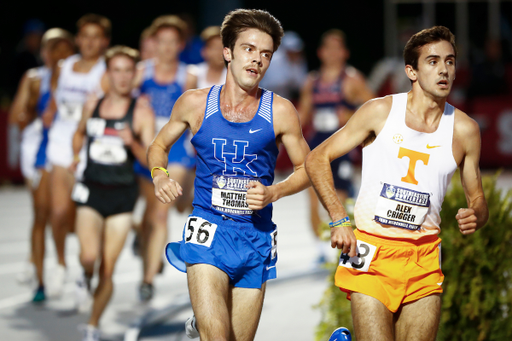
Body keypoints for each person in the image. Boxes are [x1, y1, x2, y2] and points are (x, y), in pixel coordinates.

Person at [305, 26, 489, 341]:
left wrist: (476, 214)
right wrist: (338, 218)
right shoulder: (380, 111)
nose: (444, 69)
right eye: (432, 61)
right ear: (411, 71)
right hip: (370, 251)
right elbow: (317, 158)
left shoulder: (465, 130)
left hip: (424, 257)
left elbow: (478, 201)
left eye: (450, 61)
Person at [149, 9, 311, 341]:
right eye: (249, 49)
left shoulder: (280, 111)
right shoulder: (195, 104)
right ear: (228, 52)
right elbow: (158, 146)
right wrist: (160, 175)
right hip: (208, 230)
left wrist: (273, 193)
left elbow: (307, 169)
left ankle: (202, 324)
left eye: (266, 54)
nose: (257, 60)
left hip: (255, 236)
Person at [70, 46, 155, 341]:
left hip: (122, 197)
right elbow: (79, 133)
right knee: (89, 256)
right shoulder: (92, 104)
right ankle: (83, 275)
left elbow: (149, 159)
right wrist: (75, 155)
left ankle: (92, 326)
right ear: (108, 73)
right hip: (91, 192)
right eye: (116, 70)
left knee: (108, 268)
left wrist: (132, 143)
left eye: (127, 71)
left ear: (134, 76)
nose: (121, 77)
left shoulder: (141, 111)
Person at [43, 14, 110, 297]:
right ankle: (59, 263)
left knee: (88, 218)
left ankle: (86, 275)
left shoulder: (107, 72)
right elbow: (54, 103)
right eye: (85, 36)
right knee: (57, 212)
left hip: (92, 150)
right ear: (78, 39)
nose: (90, 42)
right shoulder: (64, 66)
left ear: (104, 42)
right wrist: (48, 113)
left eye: (97, 37)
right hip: (60, 144)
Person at [132, 14, 197, 301]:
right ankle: (148, 247)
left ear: (180, 45)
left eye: (173, 42)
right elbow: (120, 97)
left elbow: (194, 114)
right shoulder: (141, 72)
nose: (167, 47)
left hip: (178, 149)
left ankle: (146, 280)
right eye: (162, 41)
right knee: (149, 215)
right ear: (153, 43)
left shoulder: (188, 76)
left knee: (161, 210)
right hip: (147, 146)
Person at [9, 28, 74, 301]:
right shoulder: (35, 79)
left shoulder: (80, 77)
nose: (57, 56)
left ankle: (62, 264)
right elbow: (16, 116)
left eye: (63, 50)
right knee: (42, 213)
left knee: (67, 217)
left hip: (75, 152)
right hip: (43, 152)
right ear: (43, 52)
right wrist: (33, 111)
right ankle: (41, 280)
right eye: (51, 49)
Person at [298, 29, 374, 264]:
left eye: (337, 48)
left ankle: (339, 246)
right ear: (320, 52)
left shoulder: (352, 79)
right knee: (312, 196)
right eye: (328, 48)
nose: (332, 53)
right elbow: (301, 115)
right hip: (317, 145)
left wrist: (350, 114)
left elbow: (375, 110)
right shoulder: (312, 81)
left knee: (337, 199)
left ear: (345, 53)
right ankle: (320, 248)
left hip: (342, 147)